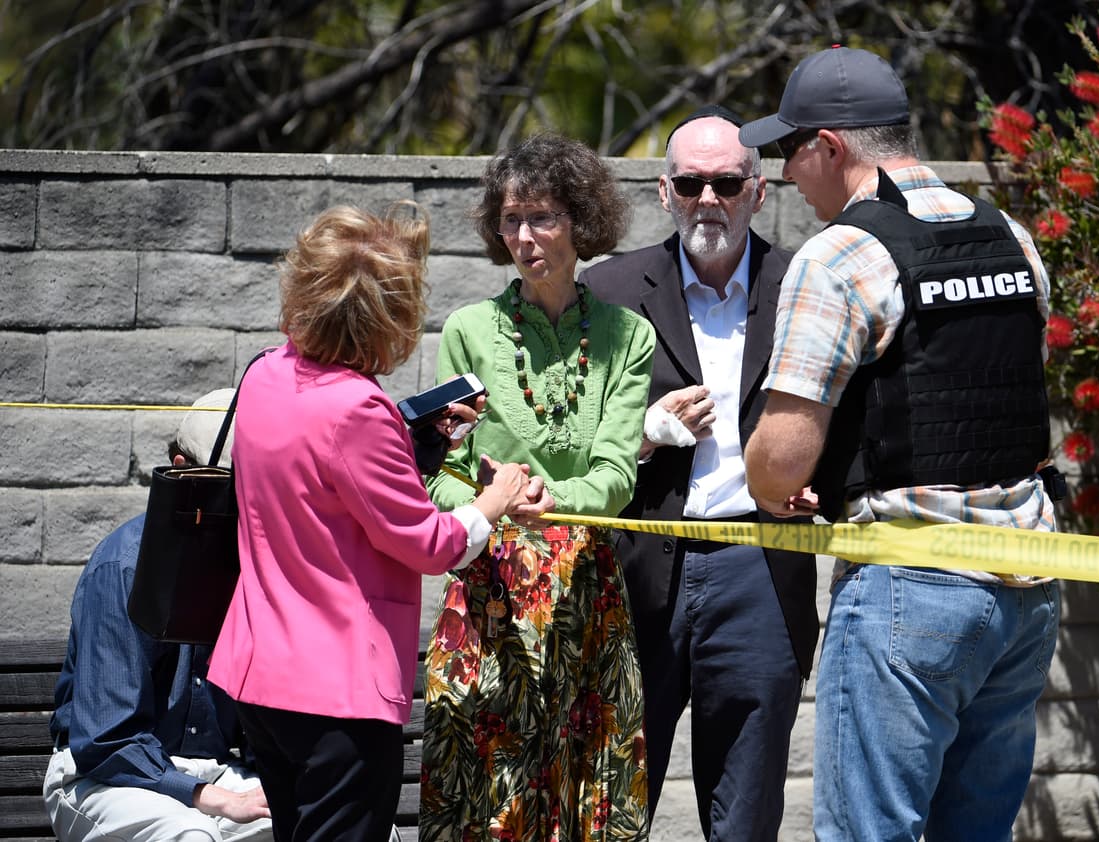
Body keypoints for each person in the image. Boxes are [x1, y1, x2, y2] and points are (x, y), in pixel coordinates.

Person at [738, 46, 1061, 842]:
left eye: (788, 151)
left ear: (831, 146)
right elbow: (999, 391)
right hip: (1030, 588)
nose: (783, 175)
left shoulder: (839, 255)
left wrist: (781, 485)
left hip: (911, 591)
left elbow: (777, 465)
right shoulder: (1008, 234)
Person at [207, 204, 531, 841]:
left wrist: (420, 442)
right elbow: (429, 544)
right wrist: (493, 502)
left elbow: (329, 489)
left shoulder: (265, 374)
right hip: (336, 692)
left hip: (259, 674)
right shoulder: (360, 408)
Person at [580, 105, 818, 841]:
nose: (706, 199)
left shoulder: (803, 284)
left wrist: (828, 484)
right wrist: (646, 436)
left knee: (744, 815)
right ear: (663, 192)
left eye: (724, 182)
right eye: (690, 183)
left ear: (758, 191)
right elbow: (568, 432)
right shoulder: (611, 290)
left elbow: (850, 407)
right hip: (641, 567)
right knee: (612, 805)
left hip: (760, 567)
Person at [416, 133, 656, 841]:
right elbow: (445, 473)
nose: (525, 236)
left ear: (581, 220)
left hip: (586, 591)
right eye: (512, 220)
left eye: (543, 217)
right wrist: (486, 504)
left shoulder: (626, 336)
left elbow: (615, 478)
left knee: (590, 800)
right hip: (491, 588)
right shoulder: (467, 330)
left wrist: (545, 497)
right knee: (492, 802)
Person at [45, 389, 273, 842]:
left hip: (220, 771)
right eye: (227, 487)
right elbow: (106, 738)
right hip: (101, 776)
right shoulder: (124, 565)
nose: (239, 508)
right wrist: (211, 797)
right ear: (180, 469)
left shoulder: (263, 564)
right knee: (188, 835)